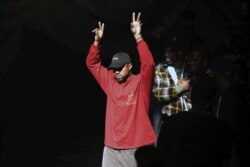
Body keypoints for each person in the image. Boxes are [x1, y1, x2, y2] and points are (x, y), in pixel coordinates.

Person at [86, 12, 157, 167]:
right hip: (111, 148)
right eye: (114, 68)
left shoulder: (140, 83)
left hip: (135, 148)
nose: (116, 71)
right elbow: (92, 64)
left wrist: (138, 37)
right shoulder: (110, 81)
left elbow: (149, 64)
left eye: (119, 68)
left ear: (130, 66)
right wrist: (96, 43)